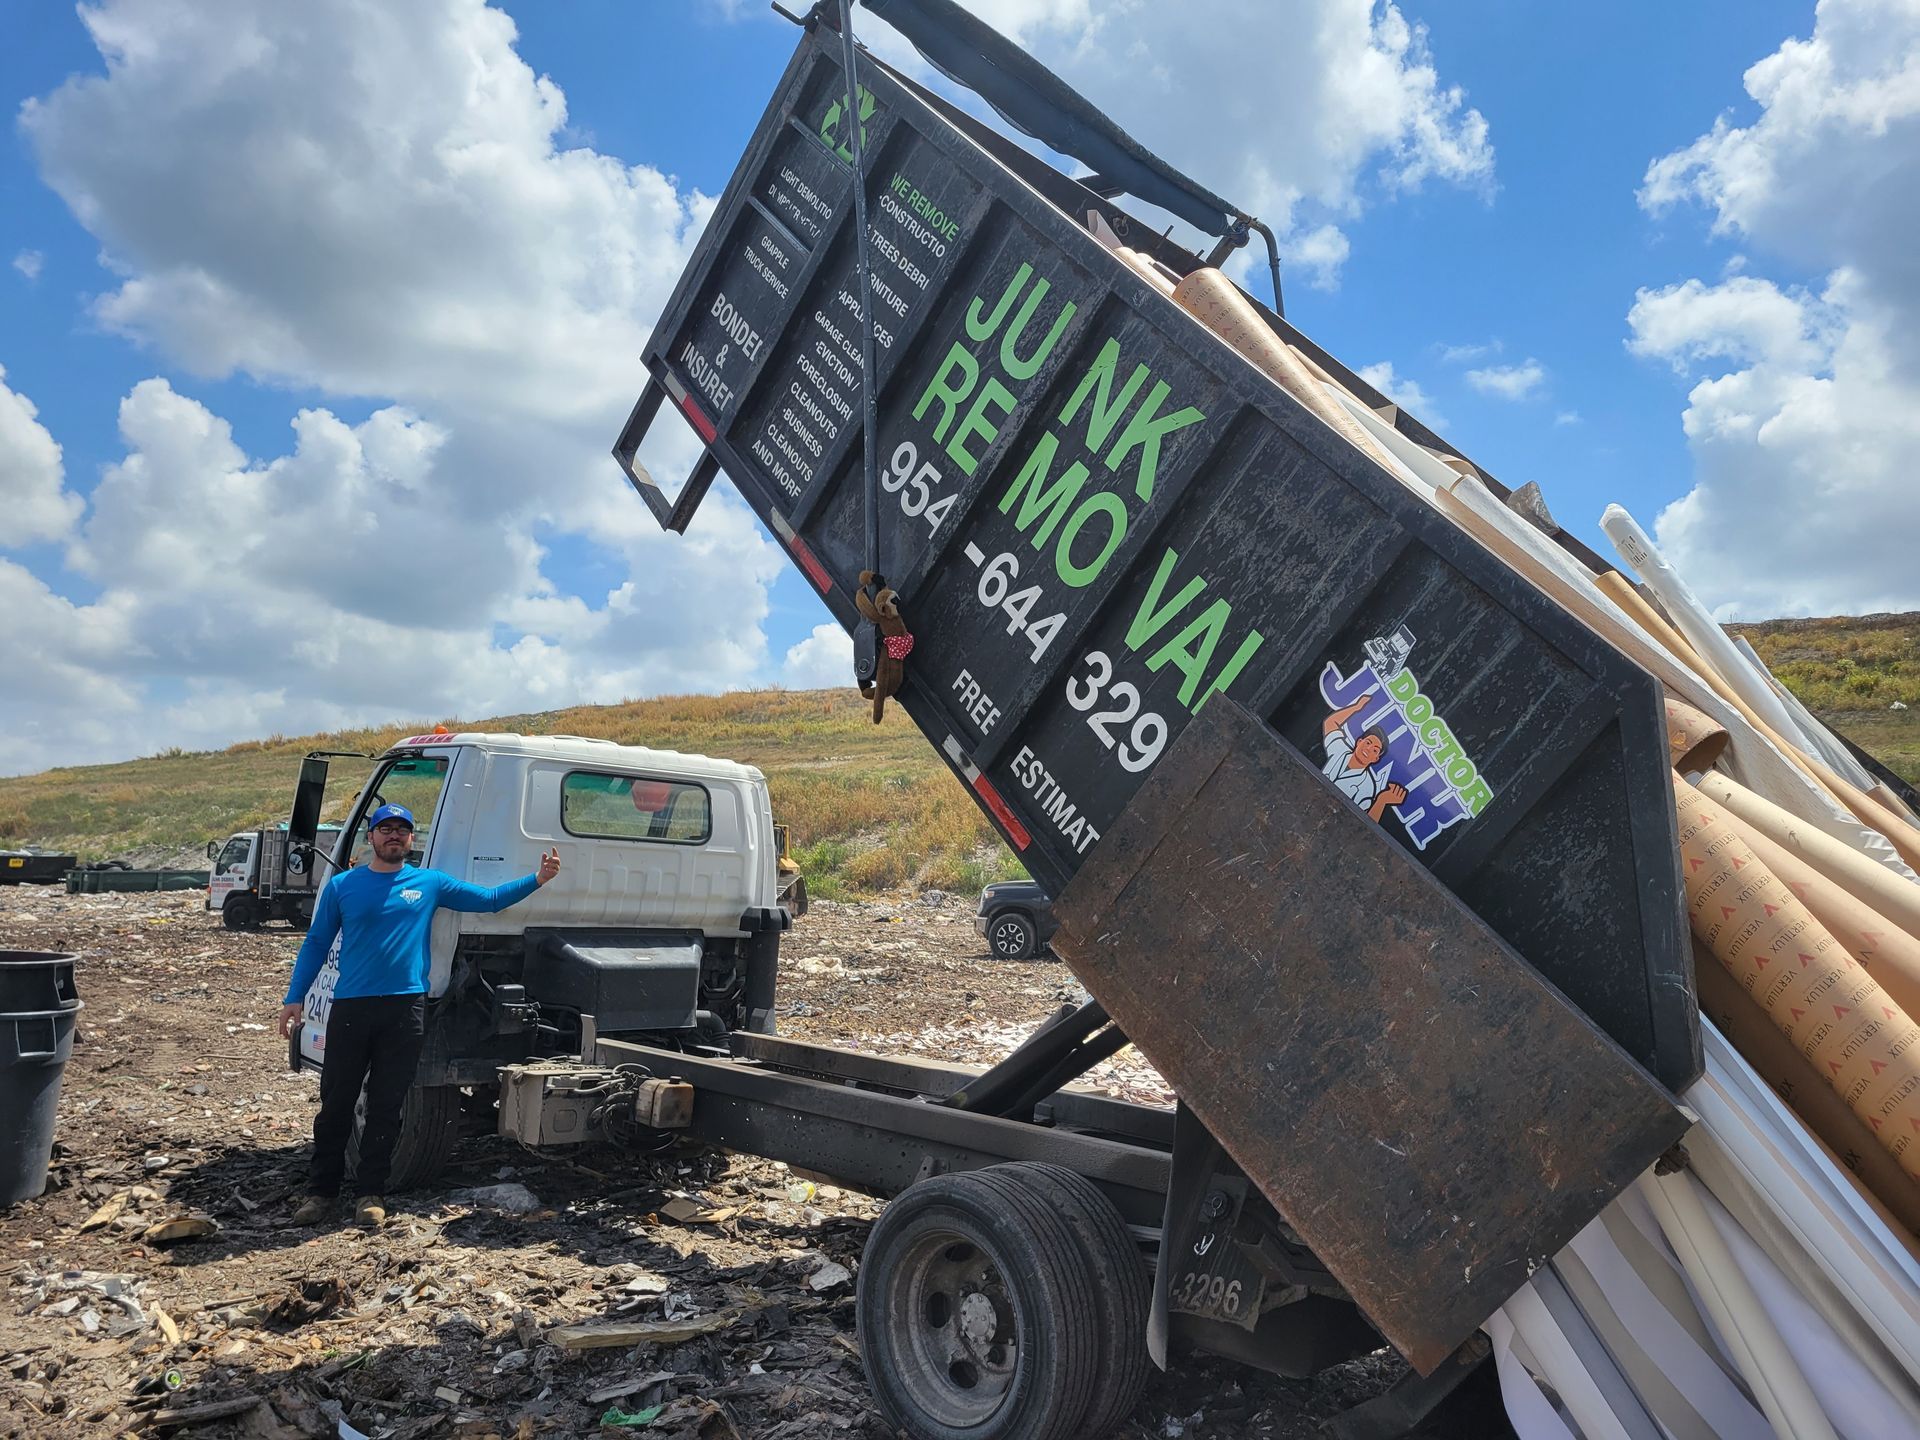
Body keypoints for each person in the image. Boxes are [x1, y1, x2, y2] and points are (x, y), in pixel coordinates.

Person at [278, 804, 559, 1226]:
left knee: (388, 1104)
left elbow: (490, 901)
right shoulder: (343, 886)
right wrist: (294, 996)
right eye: (385, 829)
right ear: (370, 838)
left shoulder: (428, 883)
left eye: (402, 830)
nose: (394, 836)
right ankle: (320, 1194)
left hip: (406, 1007)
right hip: (352, 1007)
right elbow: (317, 942)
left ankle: (370, 1193)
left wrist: (539, 879)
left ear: (412, 841)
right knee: (336, 1104)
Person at [1321, 697, 1409, 824]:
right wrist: (1356, 707)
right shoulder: (1340, 750)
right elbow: (1330, 723)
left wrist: (1382, 800)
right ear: (1359, 741)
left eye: (1375, 750)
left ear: (1376, 758)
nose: (1368, 749)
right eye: (1368, 742)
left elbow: (1363, 824)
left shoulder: (1366, 786)